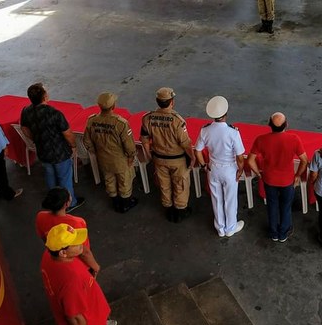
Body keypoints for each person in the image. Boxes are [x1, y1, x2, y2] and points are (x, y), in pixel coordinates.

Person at [41, 224, 118, 325]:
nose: (80, 245)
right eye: (75, 244)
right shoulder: (71, 280)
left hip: (88, 322)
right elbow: (74, 317)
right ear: (63, 252)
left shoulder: (48, 257)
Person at [20, 83, 84, 210]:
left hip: (43, 152)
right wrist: (73, 146)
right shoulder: (54, 113)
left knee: (50, 175)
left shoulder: (26, 111)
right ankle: (69, 203)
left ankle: (53, 201)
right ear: (45, 97)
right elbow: (68, 133)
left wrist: (35, 139)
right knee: (64, 178)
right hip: (60, 153)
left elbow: (24, 128)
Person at [247, 112, 308, 243]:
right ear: (287, 124)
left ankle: (273, 232)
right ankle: (283, 233)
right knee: (285, 207)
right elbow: (304, 160)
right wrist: (298, 175)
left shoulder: (261, 139)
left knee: (272, 205)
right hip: (287, 181)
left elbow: (250, 160)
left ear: (269, 124)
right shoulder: (294, 139)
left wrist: (258, 173)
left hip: (269, 179)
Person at [140, 87, 195, 222]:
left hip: (158, 158)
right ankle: (180, 210)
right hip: (177, 160)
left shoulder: (147, 118)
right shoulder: (177, 120)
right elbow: (185, 143)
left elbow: (144, 140)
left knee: (164, 184)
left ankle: (168, 208)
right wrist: (192, 158)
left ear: (157, 101)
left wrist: (149, 156)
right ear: (172, 102)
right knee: (180, 184)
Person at [194, 96, 246, 238]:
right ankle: (231, 227)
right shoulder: (233, 132)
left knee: (216, 199)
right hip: (229, 169)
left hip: (213, 167)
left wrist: (204, 165)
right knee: (230, 199)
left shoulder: (205, 130)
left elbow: (197, 151)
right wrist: (240, 170)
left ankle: (220, 228)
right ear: (226, 114)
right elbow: (240, 156)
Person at [83, 92, 138, 214]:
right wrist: (131, 156)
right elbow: (129, 145)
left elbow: (86, 141)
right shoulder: (120, 123)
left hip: (103, 158)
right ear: (114, 106)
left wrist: (95, 152)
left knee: (109, 179)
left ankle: (115, 201)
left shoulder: (92, 121)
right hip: (120, 159)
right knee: (124, 181)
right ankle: (125, 204)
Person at [36, 187, 100, 275]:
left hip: (59, 259)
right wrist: (95, 267)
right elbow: (84, 252)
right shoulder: (77, 223)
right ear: (67, 204)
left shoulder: (40, 216)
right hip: (77, 263)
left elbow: (45, 239)